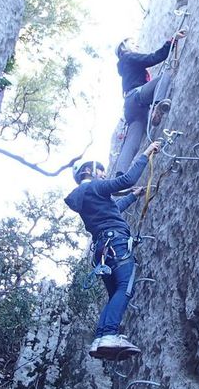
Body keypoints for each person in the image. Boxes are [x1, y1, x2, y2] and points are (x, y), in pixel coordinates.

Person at [64, 140, 163, 359]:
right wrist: (146, 152)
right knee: (125, 288)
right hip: (116, 243)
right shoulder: (95, 186)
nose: (103, 172)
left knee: (115, 293)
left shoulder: (85, 195)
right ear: (88, 170)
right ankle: (109, 333)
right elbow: (126, 179)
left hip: (102, 249)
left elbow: (113, 210)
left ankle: (101, 338)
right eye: (99, 169)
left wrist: (134, 196)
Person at [112, 31, 185, 174]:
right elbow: (153, 58)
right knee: (165, 76)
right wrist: (172, 41)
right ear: (123, 47)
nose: (137, 45)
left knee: (131, 144)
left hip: (132, 108)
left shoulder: (125, 64)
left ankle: (119, 177)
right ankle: (159, 105)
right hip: (137, 96)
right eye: (133, 43)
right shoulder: (128, 57)